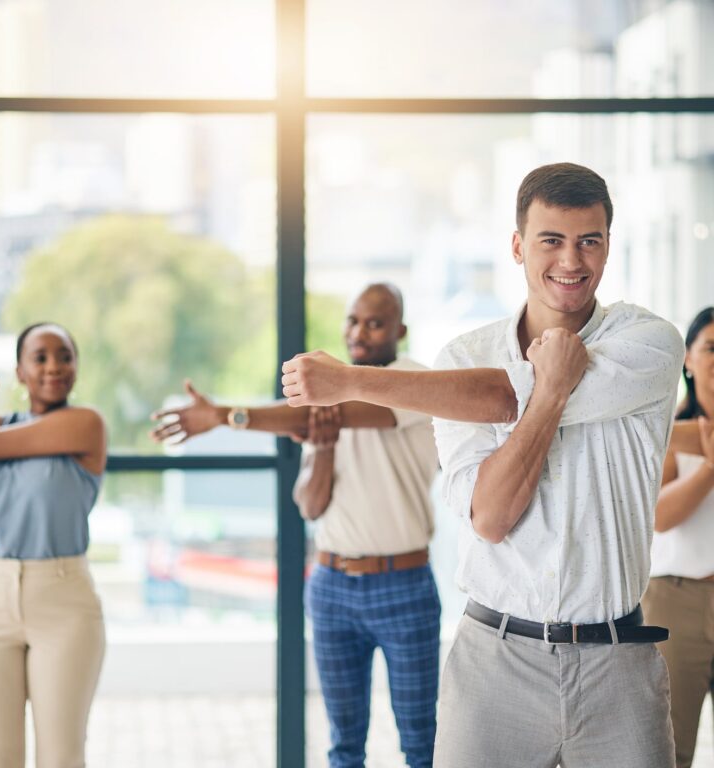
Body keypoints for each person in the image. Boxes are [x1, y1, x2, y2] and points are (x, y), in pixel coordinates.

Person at [282, 163, 685, 768]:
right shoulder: (463, 358)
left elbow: (503, 394)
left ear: (608, 244)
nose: (571, 261)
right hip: (494, 662)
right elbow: (492, 518)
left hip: (618, 666)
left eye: (589, 240)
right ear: (518, 245)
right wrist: (550, 393)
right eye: (552, 239)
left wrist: (348, 382)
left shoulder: (648, 343)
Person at [152, 283, 446, 768]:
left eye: (375, 322)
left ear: (401, 330)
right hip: (332, 587)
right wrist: (323, 446)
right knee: (343, 747)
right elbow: (311, 505)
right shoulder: (329, 403)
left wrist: (225, 416)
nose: (359, 331)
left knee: (420, 743)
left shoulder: (410, 380)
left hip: (404, 586)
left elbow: (354, 415)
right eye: (353, 320)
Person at [0, 322, 107, 768]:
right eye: (40, 357)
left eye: (64, 356)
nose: (54, 366)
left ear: (75, 367)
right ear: (20, 371)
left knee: (61, 757)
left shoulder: (85, 425)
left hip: (63, 601)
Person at [642, 306, 714, 768]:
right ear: (688, 358)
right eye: (711, 348)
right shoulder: (667, 429)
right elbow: (658, 517)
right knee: (671, 748)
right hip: (677, 600)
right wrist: (710, 465)